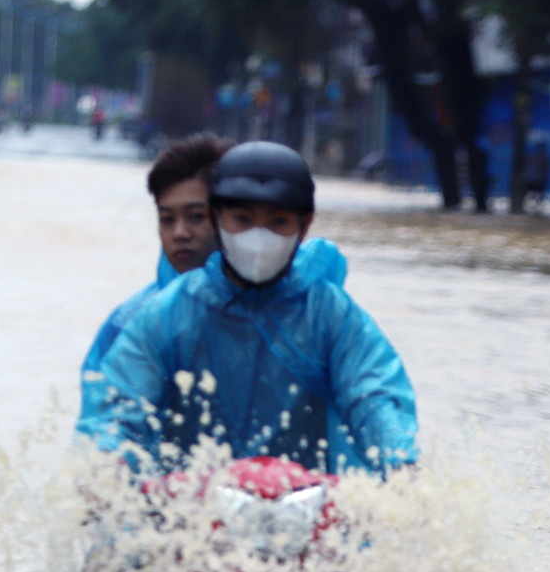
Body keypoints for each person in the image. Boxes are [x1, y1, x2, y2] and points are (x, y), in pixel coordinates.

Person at [84, 142, 416, 476]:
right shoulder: (167, 314)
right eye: (243, 219)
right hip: (190, 507)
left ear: (305, 225)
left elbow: (373, 394)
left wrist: (400, 462)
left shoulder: (330, 313)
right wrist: (109, 462)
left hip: (307, 506)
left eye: (278, 221)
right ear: (218, 219)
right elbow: (121, 409)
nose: (259, 238)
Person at [78, 136, 351, 418]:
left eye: (196, 217)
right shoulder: (132, 323)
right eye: (167, 219)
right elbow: (107, 428)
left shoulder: (318, 313)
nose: (180, 233)